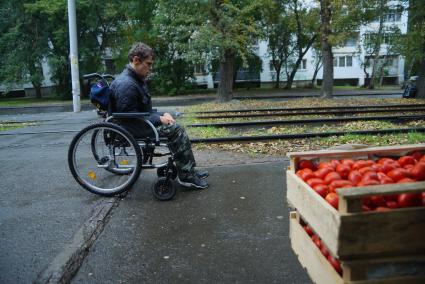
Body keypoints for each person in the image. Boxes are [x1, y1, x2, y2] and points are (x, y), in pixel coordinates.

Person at [109, 42, 209, 189]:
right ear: (136, 60)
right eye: (148, 64)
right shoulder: (127, 84)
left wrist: (162, 114)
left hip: (136, 124)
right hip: (133, 128)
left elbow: (140, 111)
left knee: (173, 124)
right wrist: (159, 118)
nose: (150, 68)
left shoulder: (133, 79)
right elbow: (130, 116)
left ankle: (188, 170)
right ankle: (187, 176)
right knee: (176, 130)